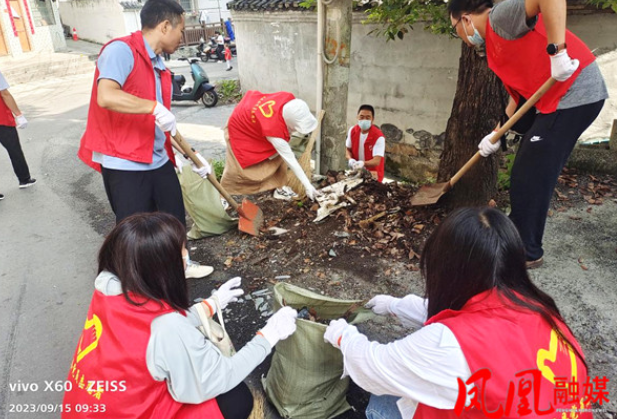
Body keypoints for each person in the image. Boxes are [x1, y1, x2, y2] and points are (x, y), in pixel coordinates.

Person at [324, 207, 592, 419]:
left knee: (384, 401)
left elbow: (374, 366)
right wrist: (394, 305)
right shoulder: (537, 309)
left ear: (447, 269)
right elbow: (465, 316)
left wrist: (341, 336)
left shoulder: (446, 345)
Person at [61, 212, 299, 419]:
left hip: (90, 407)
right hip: (131, 414)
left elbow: (148, 329)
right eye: (183, 250)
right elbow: (221, 376)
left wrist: (210, 305)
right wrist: (268, 336)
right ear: (162, 268)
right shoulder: (168, 328)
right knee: (236, 398)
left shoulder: (110, 289)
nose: (187, 255)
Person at [448, 0, 607, 269]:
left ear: (465, 19)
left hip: (575, 92)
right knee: (526, 155)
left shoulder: (499, 19)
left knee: (530, 169)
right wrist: (495, 135)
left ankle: (526, 251)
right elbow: (519, 100)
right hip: (550, 99)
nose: (461, 37)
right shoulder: (494, 48)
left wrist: (557, 52)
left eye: (455, 29)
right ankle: (516, 233)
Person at [77, 0, 214, 279]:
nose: (181, 35)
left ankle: (181, 265)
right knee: (134, 230)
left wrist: (194, 157)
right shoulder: (121, 50)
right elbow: (107, 95)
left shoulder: (159, 66)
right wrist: (151, 107)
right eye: (181, 29)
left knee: (173, 217)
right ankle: (132, 282)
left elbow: (164, 123)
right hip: (125, 161)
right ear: (165, 26)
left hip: (156, 157)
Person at [221, 91, 321, 201]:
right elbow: (290, 159)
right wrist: (308, 186)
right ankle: (222, 195)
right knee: (236, 169)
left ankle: (279, 188)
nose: (295, 131)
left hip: (253, 118)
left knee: (277, 157)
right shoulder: (273, 130)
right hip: (239, 127)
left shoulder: (288, 100)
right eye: (295, 128)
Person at [0, 69, 36, 201]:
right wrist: (19, 115)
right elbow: (4, 93)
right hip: (1, 119)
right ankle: (24, 179)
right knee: (14, 149)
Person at [345, 104, 386, 182]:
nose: (364, 120)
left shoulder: (378, 137)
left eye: (368, 118)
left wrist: (362, 163)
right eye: (362, 117)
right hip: (357, 172)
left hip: (373, 175)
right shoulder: (352, 131)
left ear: (372, 119)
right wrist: (350, 159)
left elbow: (377, 161)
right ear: (357, 117)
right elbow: (347, 149)